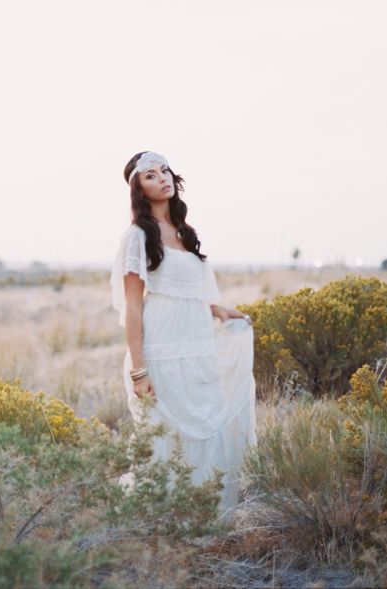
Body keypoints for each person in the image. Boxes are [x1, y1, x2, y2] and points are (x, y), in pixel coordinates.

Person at [110, 150, 257, 516]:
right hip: (163, 345)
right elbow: (132, 306)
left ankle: (205, 512)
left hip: (198, 341)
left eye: (165, 171)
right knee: (168, 430)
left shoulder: (184, 232)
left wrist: (220, 310)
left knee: (206, 418)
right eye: (150, 175)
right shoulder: (137, 237)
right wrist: (139, 369)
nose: (162, 177)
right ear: (139, 190)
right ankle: (167, 516)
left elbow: (191, 289)